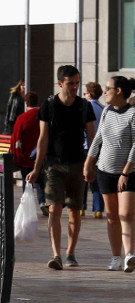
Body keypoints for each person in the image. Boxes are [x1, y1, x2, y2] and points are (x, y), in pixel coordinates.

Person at [27, 65, 96, 270]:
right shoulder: (49, 105)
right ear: (60, 83)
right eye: (70, 83)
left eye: (77, 83)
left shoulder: (84, 106)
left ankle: (70, 253)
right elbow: (43, 138)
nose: (75, 87)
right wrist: (36, 168)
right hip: (53, 165)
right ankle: (56, 254)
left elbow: (92, 137)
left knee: (75, 210)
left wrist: (91, 164)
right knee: (54, 208)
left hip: (78, 164)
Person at [84, 76, 135, 273]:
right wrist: (88, 163)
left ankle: (129, 255)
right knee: (112, 217)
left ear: (118, 91)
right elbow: (98, 139)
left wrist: (125, 172)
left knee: (126, 214)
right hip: (105, 171)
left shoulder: (134, 114)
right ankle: (116, 257)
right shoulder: (107, 111)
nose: (105, 92)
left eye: (108, 88)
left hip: (129, 172)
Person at [11, 91, 44, 210]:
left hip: (25, 156)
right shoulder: (43, 115)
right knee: (40, 181)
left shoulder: (22, 118)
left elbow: (16, 138)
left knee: (27, 181)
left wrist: (14, 154)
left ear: (26, 103)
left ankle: (26, 204)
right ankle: (43, 202)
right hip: (41, 155)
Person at [82, 82, 106, 218]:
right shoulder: (104, 108)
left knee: (83, 178)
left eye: (85, 93)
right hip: (100, 147)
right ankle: (98, 209)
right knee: (98, 178)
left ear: (89, 94)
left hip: (86, 146)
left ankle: (81, 207)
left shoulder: (86, 106)